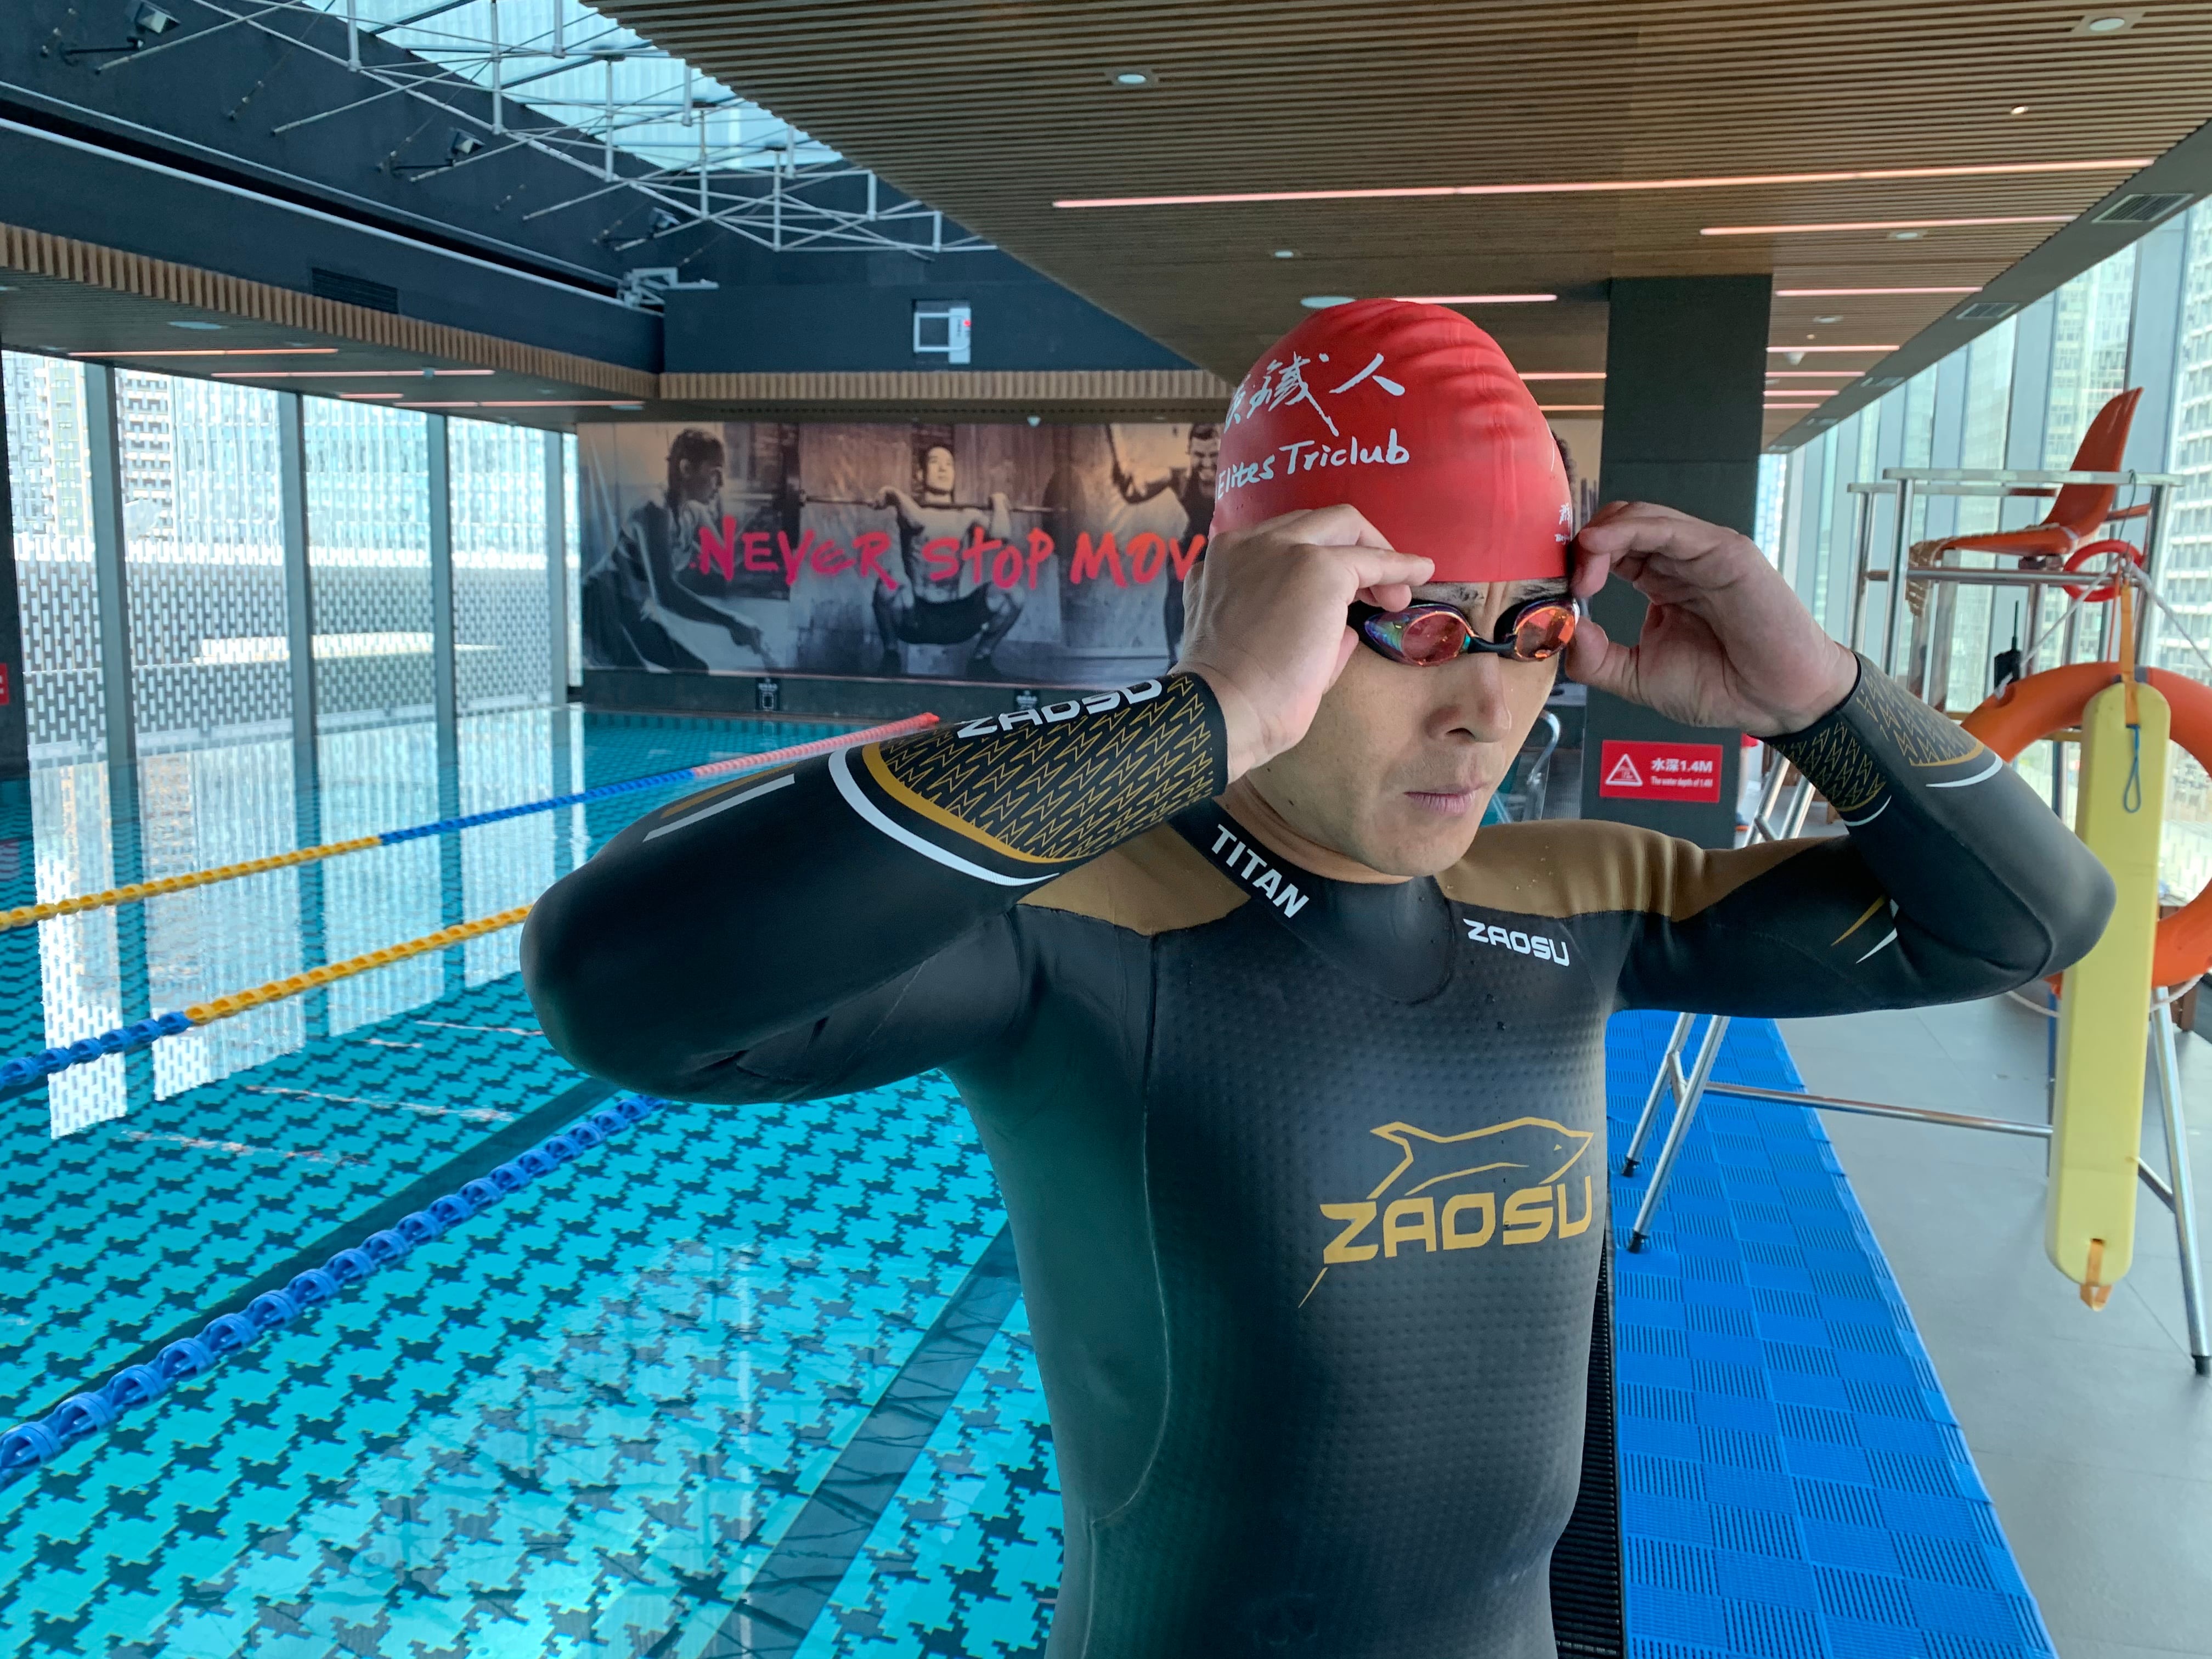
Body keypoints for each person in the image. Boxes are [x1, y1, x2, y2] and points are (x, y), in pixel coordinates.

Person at [524, 301, 2112, 1658]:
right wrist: (1202, 715)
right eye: (1404, 628)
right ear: (1250, 604)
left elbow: (2027, 925)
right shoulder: (1077, 921)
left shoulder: (1582, 896)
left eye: (1529, 631)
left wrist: (1815, 688)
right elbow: (615, 982)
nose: (1487, 709)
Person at [581, 428, 765, 672]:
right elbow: (665, 593)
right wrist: (731, 621)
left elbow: (724, 563)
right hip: (600, 605)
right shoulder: (654, 509)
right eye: (715, 474)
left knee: (695, 669)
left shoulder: (694, 513)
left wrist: (761, 523)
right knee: (638, 681)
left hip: (635, 607)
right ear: (686, 469)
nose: (720, 484)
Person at [871, 430, 1023, 680]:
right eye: (935, 462)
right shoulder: (911, 511)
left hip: (956, 619)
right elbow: (916, 520)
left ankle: (981, 659)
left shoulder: (967, 515)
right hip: (915, 617)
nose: (943, 469)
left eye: (949, 465)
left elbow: (1001, 535)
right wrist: (894, 493)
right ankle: (891, 654)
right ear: (921, 475)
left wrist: (998, 501)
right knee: (890, 581)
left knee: (1013, 593)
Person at [1113, 422, 1220, 668]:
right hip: (1195, 542)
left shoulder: (1237, 476)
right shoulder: (1180, 479)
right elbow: (1134, 493)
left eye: (1214, 455)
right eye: (1199, 455)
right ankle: (1175, 658)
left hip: (1227, 542)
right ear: (1189, 453)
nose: (1206, 463)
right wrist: (1124, 479)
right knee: (1177, 581)